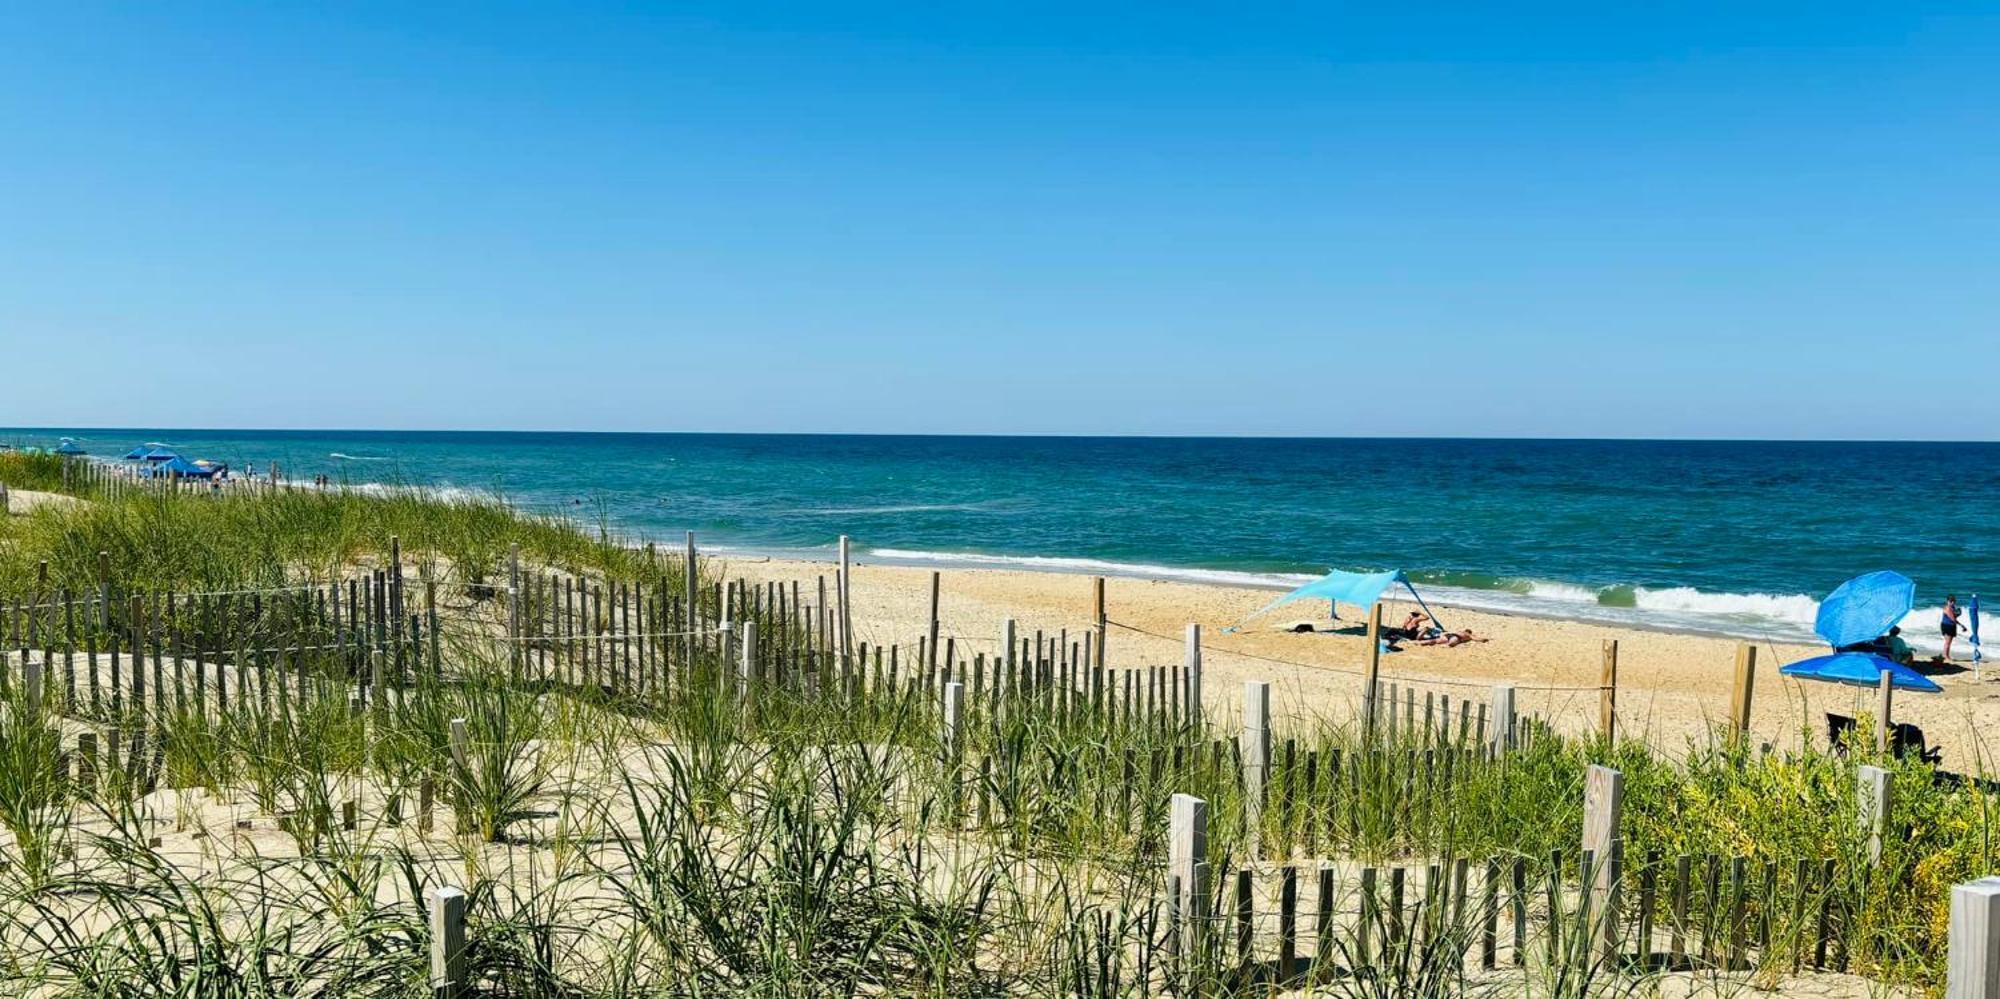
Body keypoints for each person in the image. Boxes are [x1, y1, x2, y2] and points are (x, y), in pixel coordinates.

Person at [1943, 595, 1963, 661]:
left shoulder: (1952, 607)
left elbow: (1953, 617)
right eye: (1951, 601)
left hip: (1950, 625)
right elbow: (1952, 619)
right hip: (1947, 625)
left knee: (1948, 642)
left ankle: (1946, 655)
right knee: (1947, 642)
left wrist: (1957, 614)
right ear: (1948, 601)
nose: (1952, 603)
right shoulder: (1948, 608)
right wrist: (1961, 625)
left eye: (1953, 601)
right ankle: (1946, 656)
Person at [1420, 628, 1488, 648]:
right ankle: (1444, 646)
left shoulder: (1459, 631)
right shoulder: (1469, 635)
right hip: (1456, 637)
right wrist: (1484, 639)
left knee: (1435, 641)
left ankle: (1423, 643)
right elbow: (1477, 639)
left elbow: (1445, 632)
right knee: (1451, 644)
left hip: (1449, 635)